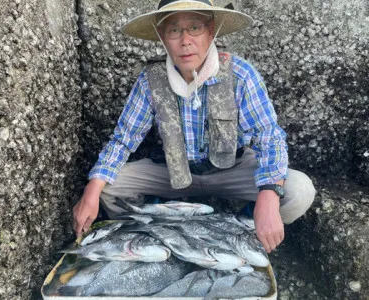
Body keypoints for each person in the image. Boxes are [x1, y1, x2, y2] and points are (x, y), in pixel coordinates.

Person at [73, 0, 316, 253]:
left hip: (232, 168)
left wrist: (268, 195)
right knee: (109, 188)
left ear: (211, 31)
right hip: (172, 172)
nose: (185, 40)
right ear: (162, 37)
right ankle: (161, 229)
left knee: (299, 191)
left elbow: (269, 137)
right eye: (174, 30)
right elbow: (124, 139)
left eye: (195, 27)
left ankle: (240, 229)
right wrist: (92, 189)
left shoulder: (241, 75)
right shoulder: (149, 81)